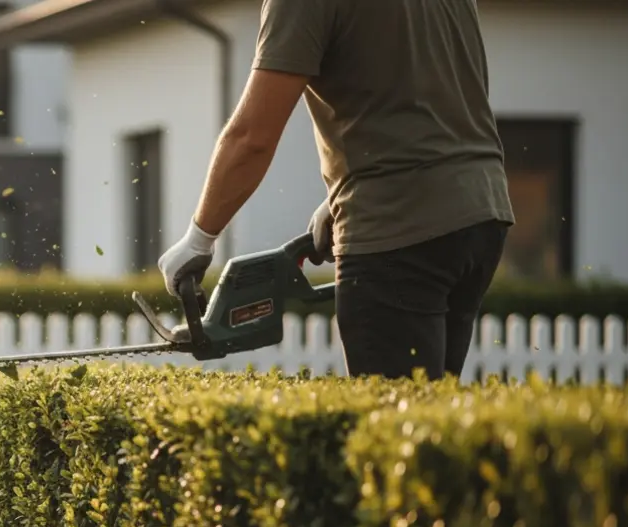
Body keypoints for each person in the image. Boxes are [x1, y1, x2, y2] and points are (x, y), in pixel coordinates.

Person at [156, 0, 515, 381]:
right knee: (434, 416)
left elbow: (252, 138)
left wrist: (199, 239)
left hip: (398, 224)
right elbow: (432, 90)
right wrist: (340, 197)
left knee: (393, 426)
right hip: (481, 212)